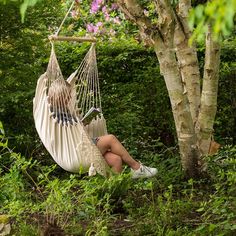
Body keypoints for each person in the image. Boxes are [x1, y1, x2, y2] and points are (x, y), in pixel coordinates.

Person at [48, 79, 157, 179]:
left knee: (116, 160)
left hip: (82, 146)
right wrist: (78, 125)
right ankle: (137, 168)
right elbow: (66, 129)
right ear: (58, 95)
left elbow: (72, 127)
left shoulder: (64, 110)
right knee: (110, 139)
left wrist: (83, 123)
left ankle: (113, 192)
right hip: (77, 150)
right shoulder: (53, 112)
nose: (69, 98)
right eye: (66, 95)